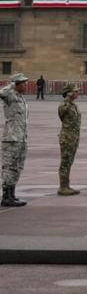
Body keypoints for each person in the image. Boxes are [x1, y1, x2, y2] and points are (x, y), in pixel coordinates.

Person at [1, 73, 30, 206]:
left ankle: (12, 193)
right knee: (9, 167)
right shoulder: (10, 95)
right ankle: (6, 196)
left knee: (18, 167)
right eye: (23, 83)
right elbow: (1, 92)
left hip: (21, 137)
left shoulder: (21, 98)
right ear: (16, 85)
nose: (25, 85)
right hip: (11, 138)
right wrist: (11, 84)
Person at [57, 84, 81, 196]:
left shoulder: (73, 105)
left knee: (69, 162)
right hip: (67, 136)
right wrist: (67, 98)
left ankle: (67, 185)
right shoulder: (64, 104)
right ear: (69, 93)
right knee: (65, 162)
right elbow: (61, 114)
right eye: (75, 91)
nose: (77, 93)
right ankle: (62, 187)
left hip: (74, 136)